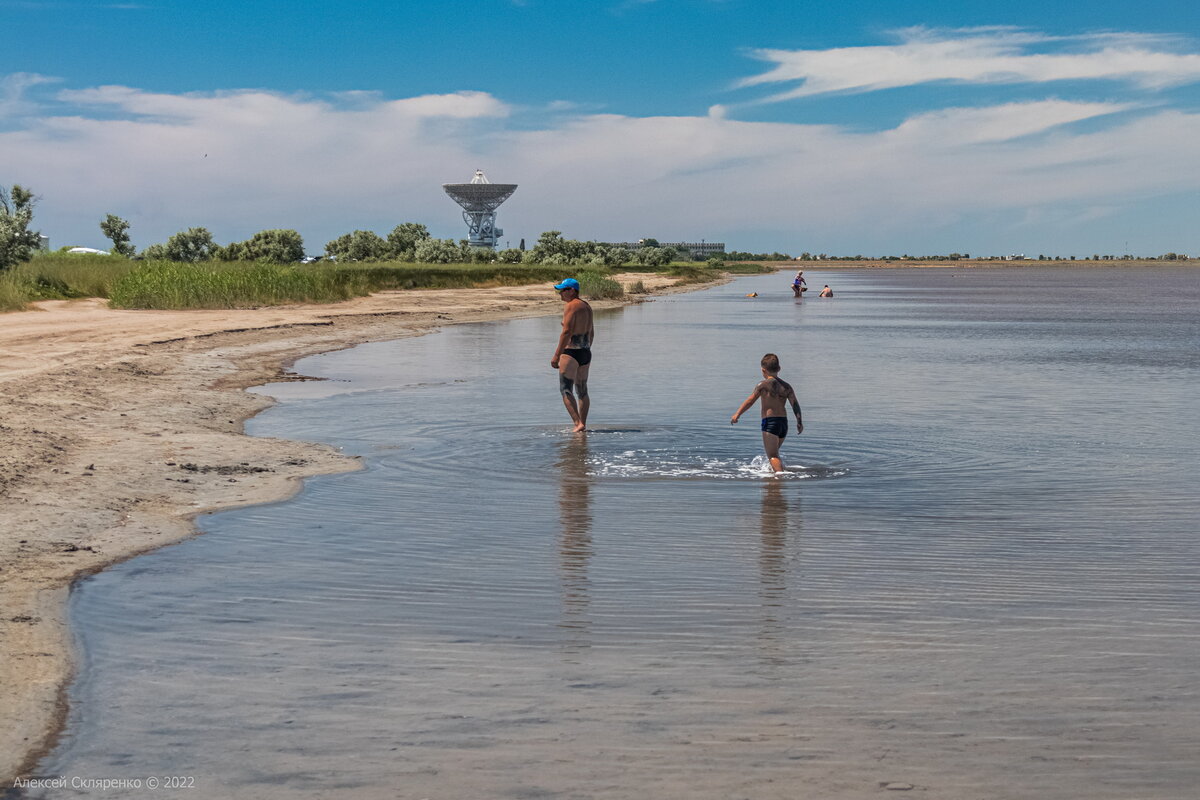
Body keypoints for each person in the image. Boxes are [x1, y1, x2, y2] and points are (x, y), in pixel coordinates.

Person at [730, 353, 803, 473]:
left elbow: (750, 401)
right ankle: (774, 474)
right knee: (775, 453)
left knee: (772, 456)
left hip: (770, 423)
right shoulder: (787, 386)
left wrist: (737, 414)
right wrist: (799, 422)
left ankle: (779, 478)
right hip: (783, 424)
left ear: (763, 370)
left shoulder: (762, 385)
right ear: (779, 369)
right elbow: (795, 404)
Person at [551, 278, 594, 433]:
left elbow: (567, 332)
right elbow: (591, 333)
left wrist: (556, 355)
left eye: (563, 290)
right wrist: (586, 349)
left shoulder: (571, 306)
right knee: (582, 389)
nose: (560, 293)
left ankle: (577, 424)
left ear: (572, 290)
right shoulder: (587, 307)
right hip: (585, 352)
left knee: (565, 389)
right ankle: (583, 423)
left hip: (570, 352)